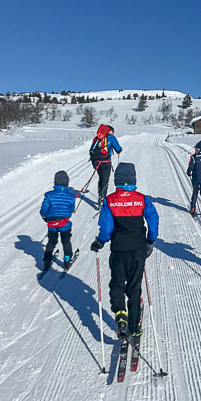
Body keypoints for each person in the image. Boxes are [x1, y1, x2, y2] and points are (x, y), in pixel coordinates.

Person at [90, 162, 159, 343]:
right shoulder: (142, 199)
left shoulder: (110, 200)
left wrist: (100, 241)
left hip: (119, 249)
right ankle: (135, 329)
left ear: (116, 180)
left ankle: (121, 314)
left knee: (117, 284)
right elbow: (153, 219)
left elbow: (106, 227)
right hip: (138, 249)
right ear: (133, 179)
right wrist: (150, 241)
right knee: (134, 288)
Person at [40, 170, 76, 271]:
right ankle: (67, 259)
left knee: (51, 242)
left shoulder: (49, 195)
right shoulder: (71, 196)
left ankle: (46, 260)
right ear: (67, 183)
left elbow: (44, 209)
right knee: (66, 241)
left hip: (52, 223)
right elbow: (71, 209)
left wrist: (44, 217)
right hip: (64, 223)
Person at [89, 124, 122, 207]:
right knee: (105, 180)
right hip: (106, 162)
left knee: (101, 178)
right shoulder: (111, 138)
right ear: (110, 131)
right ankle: (102, 197)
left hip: (96, 162)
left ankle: (101, 195)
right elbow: (118, 149)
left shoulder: (97, 138)